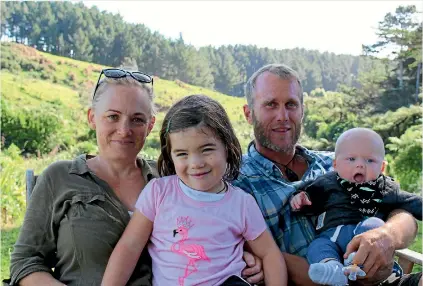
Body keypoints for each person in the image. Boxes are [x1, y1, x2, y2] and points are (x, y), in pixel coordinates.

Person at [6, 69, 261, 286]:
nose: (124, 130)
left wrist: (250, 259)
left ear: (150, 125)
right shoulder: (61, 177)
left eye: (137, 119)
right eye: (113, 116)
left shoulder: (171, 178)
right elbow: (25, 262)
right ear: (92, 118)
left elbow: (220, 220)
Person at [232, 63, 419, 286]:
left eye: (291, 104)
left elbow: (401, 209)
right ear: (248, 114)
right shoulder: (236, 183)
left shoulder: (339, 162)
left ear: (302, 110)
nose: (282, 115)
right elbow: (260, 257)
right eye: (270, 104)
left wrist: (388, 235)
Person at [101, 94, 287, 286]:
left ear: (227, 147)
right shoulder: (158, 192)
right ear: (170, 156)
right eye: (182, 154)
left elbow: (269, 254)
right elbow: (130, 246)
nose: (196, 163)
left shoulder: (242, 203)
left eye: (207, 149)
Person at [289, 127, 422, 285]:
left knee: (373, 224)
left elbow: (411, 202)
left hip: (369, 242)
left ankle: (357, 260)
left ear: (382, 167)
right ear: (336, 164)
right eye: (351, 159)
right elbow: (310, 198)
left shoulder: (385, 188)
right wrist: (301, 200)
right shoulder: (326, 182)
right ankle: (332, 268)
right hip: (332, 236)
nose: (360, 165)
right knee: (317, 246)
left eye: (369, 160)